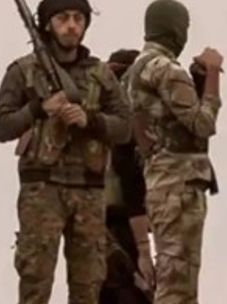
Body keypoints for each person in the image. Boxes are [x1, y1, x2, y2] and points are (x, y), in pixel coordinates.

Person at [0, 0, 132, 304]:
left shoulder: (100, 75)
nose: (71, 26)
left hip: (89, 191)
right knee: (35, 282)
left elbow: (124, 128)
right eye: (63, 18)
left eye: (78, 18)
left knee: (89, 285)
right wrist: (39, 108)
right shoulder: (23, 71)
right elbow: (2, 127)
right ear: (47, 24)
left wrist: (90, 120)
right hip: (41, 190)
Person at [124, 0, 222, 304]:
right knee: (178, 287)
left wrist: (196, 80)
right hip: (179, 185)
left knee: (172, 278)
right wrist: (213, 74)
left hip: (159, 181)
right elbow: (202, 124)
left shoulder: (135, 71)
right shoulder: (166, 69)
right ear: (176, 28)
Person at [101, 48, 153, 304]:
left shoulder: (104, 121)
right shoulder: (126, 127)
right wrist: (144, 249)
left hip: (99, 228)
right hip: (123, 227)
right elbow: (132, 187)